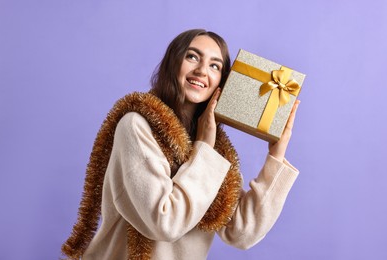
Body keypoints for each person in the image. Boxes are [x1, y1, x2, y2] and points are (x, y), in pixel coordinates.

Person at [61, 29, 301, 260]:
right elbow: (163, 223)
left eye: (215, 66)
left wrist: (276, 156)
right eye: (192, 56)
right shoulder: (136, 125)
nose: (201, 70)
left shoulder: (215, 149)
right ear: (173, 63)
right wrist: (204, 150)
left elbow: (242, 233)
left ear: (222, 82)